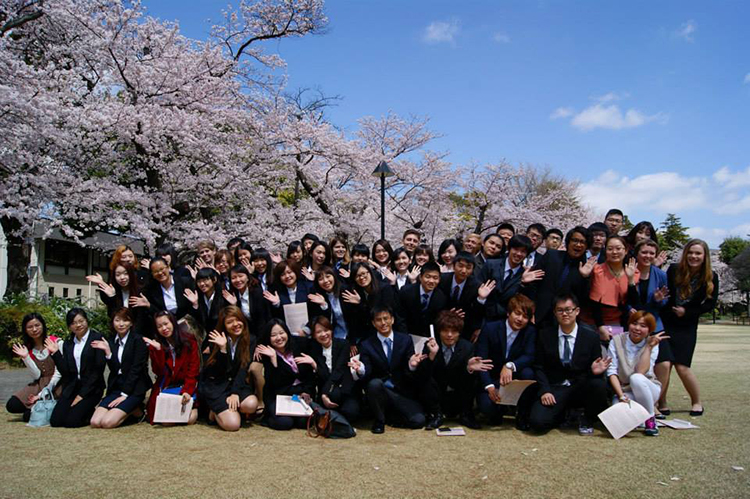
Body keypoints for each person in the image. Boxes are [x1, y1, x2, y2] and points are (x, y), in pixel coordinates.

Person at [527, 294, 610, 435]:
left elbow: (595, 370)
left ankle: (587, 418)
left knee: (598, 385)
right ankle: (563, 414)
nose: (564, 314)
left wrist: (594, 371)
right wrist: (545, 390)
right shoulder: (545, 335)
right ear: (554, 313)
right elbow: (539, 366)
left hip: (580, 386)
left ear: (577, 311)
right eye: (560, 310)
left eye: (568, 310)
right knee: (538, 423)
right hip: (555, 387)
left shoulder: (591, 337)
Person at [658, 239, 718, 417]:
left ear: (705, 256)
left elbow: (710, 304)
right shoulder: (674, 269)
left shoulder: (711, 277)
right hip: (667, 322)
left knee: (682, 366)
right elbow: (665, 292)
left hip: (687, 326)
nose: (693, 256)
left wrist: (687, 312)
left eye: (698, 253)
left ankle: (696, 402)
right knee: (664, 365)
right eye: (690, 252)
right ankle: (662, 402)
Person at [349, 306, 426, 433]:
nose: (383, 323)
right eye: (378, 320)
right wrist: (361, 369)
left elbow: (409, 369)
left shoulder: (405, 339)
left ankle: (389, 416)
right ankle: (380, 420)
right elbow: (367, 371)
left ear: (393, 320)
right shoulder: (366, 344)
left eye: (386, 318)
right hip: (379, 391)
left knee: (419, 421)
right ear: (373, 323)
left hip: (400, 391)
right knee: (374, 384)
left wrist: (412, 365)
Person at [475, 295, 537, 427]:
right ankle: (499, 410)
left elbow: (529, 356)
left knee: (529, 373)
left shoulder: (530, 331)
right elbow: (481, 361)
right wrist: (489, 386)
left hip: (514, 378)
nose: (520, 319)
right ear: (508, 313)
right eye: (517, 313)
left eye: (525, 317)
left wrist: (509, 366)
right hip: (492, 378)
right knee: (487, 408)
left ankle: (522, 413)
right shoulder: (490, 328)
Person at [607, 311, 669, 436]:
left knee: (636, 378)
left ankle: (650, 417)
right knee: (618, 419)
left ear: (649, 330)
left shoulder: (652, 343)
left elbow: (641, 371)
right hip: (626, 391)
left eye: (643, 326)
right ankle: (639, 418)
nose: (637, 328)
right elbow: (612, 371)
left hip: (649, 388)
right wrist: (621, 396)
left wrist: (648, 347)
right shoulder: (617, 340)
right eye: (634, 324)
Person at [417, 310, 480, 429]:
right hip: (437, 391)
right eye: (445, 331)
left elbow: (467, 377)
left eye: (454, 331)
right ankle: (436, 415)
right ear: (439, 331)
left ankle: (466, 414)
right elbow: (423, 373)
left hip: (457, 390)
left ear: (459, 332)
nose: (449, 335)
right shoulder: (430, 345)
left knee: (472, 378)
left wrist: (469, 369)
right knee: (426, 380)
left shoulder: (467, 347)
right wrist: (432, 355)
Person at [90, 308, 151, 429]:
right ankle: (128, 410)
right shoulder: (111, 341)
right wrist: (108, 352)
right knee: (95, 422)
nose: (121, 324)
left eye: (125, 320)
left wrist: (124, 395)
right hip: (116, 387)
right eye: (117, 320)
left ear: (131, 322)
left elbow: (136, 370)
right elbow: (115, 369)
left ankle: (137, 411)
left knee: (107, 423)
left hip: (134, 388)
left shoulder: (138, 341)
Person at [199, 306, 258, 431]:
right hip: (217, 385)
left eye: (238, 320)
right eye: (230, 322)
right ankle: (214, 413)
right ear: (223, 326)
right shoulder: (215, 339)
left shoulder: (250, 339)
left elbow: (243, 368)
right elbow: (215, 372)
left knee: (251, 404)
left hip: (236, 383)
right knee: (233, 425)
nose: (235, 324)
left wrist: (235, 392)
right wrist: (222, 350)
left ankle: (229, 409)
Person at [48, 308, 106, 428]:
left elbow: (98, 370)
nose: (78, 325)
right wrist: (56, 354)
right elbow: (66, 372)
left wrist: (81, 395)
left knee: (71, 422)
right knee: (56, 421)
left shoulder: (97, 338)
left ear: (86, 320)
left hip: (92, 387)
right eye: (73, 323)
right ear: (69, 326)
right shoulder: (68, 343)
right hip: (73, 387)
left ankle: (90, 412)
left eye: (81, 321)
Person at [531, 226, 596, 328]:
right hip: (538, 314)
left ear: (587, 246)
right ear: (568, 242)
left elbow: (583, 300)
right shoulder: (551, 256)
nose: (578, 245)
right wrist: (531, 309)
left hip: (564, 320)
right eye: (575, 240)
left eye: (582, 242)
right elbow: (534, 283)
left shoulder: (587, 268)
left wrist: (585, 277)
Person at [257, 319, 316, 430]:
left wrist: (306, 392)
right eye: (273, 335)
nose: (279, 338)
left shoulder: (300, 345)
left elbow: (309, 377)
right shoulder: (267, 353)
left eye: (281, 333)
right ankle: (268, 417)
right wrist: (274, 360)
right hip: (279, 395)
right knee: (284, 423)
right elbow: (274, 384)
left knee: (304, 422)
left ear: (287, 332)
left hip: (300, 394)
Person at [144, 311, 200, 425]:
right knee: (166, 422)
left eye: (166, 324)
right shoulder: (156, 344)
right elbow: (158, 371)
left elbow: (193, 369)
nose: (164, 328)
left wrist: (187, 390)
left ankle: (192, 409)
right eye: (159, 326)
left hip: (184, 386)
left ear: (173, 322)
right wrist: (158, 351)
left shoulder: (189, 340)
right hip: (166, 387)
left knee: (191, 419)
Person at [6, 313, 62, 422]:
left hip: (57, 383)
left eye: (37, 325)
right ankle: (39, 406)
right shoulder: (29, 349)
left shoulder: (55, 342)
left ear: (43, 326)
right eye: (30, 327)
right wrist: (26, 357)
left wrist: (41, 394)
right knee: (12, 405)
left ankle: (48, 405)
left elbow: (59, 372)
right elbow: (36, 375)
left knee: (27, 416)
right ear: (25, 330)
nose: (34, 329)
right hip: (40, 383)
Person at [584, 236, 639, 343]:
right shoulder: (597, 270)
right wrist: (600, 326)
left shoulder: (633, 271)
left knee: (616, 350)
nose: (614, 252)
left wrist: (630, 280)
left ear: (626, 250)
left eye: (618, 248)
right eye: (610, 249)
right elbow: (594, 303)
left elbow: (634, 302)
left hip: (616, 321)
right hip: (593, 320)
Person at [477, 235, 544, 321]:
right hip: (482, 315)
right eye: (516, 249)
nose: (518, 254)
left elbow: (524, 303)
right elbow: (477, 288)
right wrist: (481, 298)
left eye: (523, 251)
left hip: (506, 321)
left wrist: (523, 283)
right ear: (509, 249)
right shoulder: (491, 265)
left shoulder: (526, 275)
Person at [308, 316, 360, 423]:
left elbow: (338, 371)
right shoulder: (314, 350)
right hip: (327, 390)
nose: (323, 334)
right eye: (318, 332)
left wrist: (324, 393)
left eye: (326, 330)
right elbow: (324, 376)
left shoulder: (343, 344)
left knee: (351, 412)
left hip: (344, 388)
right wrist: (315, 365)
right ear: (314, 335)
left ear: (331, 330)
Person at [343, 262, 398, 344]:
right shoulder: (354, 293)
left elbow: (381, 313)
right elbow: (353, 319)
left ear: (370, 273)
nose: (361, 277)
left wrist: (360, 303)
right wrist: (352, 341)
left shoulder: (384, 288)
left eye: (364, 273)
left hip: (385, 330)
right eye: (357, 276)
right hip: (365, 335)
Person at [395, 261, 448, 337]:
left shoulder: (441, 297)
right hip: (407, 333)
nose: (431, 281)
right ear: (420, 277)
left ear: (439, 279)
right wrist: (405, 337)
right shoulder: (406, 291)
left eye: (435, 278)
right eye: (428, 277)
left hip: (428, 336)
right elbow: (400, 317)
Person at [439, 251, 483, 341]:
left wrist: (481, 298)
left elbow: (477, 312)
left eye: (468, 267)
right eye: (460, 266)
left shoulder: (476, 286)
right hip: (441, 324)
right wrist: (448, 315)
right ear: (453, 265)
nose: (464, 270)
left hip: (465, 327)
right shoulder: (442, 279)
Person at [307, 266, 355, 346]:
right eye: (321, 279)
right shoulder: (317, 296)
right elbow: (323, 322)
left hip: (354, 335)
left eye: (328, 276)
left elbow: (355, 319)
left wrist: (352, 342)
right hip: (334, 336)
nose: (325, 281)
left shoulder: (345, 291)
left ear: (334, 276)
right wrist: (324, 305)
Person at [141, 257, 196, 321]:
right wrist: (149, 305)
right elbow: (157, 313)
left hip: (189, 321)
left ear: (168, 267)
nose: (160, 273)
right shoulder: (152, 291)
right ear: (152, 274)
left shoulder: (185, 282)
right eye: (156, 271)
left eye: (161, 269)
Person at [264, 260, 311, 333]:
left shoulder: (307, 288)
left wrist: (307, 330)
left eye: (289, 272)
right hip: (285, 333)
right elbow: (274, 317)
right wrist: (277, 304)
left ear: (295, 272)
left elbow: (314, 313)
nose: (287, 276)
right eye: (283, 274)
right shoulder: (276, 292)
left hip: (307, 332)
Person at [184, 267, 227, 346]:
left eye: (205, 280)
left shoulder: (223, 297)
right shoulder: (197, 297)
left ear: (214, 280)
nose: (202, 284)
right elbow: (198, 323)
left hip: (222, 338)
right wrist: (195, 304)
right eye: (199, 281)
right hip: (205, 340)